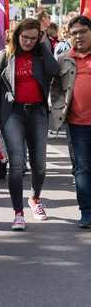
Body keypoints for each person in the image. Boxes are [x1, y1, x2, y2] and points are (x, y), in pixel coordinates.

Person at [0, 18, 60, 230]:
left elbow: (55, 71)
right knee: (17, 164)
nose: (28, 42)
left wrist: (44, 44)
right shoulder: (4, 56)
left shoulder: (40, 55)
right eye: (25, 37)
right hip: (13, 113)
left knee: (39, 164)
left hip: (38, 112)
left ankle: (35, 199)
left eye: (33, 38)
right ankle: (18, 212)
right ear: (16, 35)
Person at [51, 15, 91, 228]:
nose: (78, 36)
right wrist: (59, 108)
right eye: (74, 33)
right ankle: (87, 213)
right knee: (83, 169)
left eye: (82, 31)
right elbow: (56, 87)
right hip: (78, 124)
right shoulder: (64, 58)